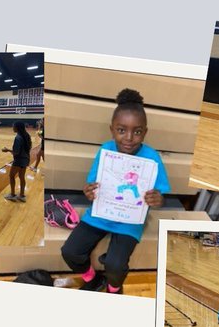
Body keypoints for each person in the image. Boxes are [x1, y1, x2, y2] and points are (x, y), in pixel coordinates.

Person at [60, 88, 170, 294]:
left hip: (130, 220)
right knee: (70, 251)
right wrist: (89, 191)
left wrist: (158, 199)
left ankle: (114, 288)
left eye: (137, 131)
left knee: (116, 265)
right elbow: (92, 184)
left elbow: (161, 196)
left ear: (145, 132)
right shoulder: (105, 150)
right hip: (100, 214)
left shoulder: (152, 158)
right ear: (112, 129)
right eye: (122, 130)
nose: (129, 137)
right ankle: (92, 278)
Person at [2, 121, 32, 203]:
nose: (13, 128)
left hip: (19, 160)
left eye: (13, 126)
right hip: (26, 159)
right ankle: (22, 195)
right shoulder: (27, 135)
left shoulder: (18, 138)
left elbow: (16, 152)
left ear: (17, 128)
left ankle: (12, 195)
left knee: (11, 176)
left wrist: (7, 150)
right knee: (21, 177)